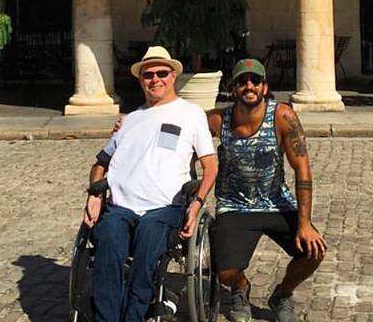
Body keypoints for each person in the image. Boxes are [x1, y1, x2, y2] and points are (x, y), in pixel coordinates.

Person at [83, 45, 218, 322]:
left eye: (161, 73)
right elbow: (100, 164)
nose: (155, 79)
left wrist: (197, 204)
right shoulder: (130, 120)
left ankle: (135, 315)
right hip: (121, 207)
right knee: (106, 247)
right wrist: (94, 195)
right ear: (141, 80)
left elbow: (211, 165)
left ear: (173, 76)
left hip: (164, 206)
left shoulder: (191, 114)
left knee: (146, 252)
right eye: (148, 75)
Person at [210, 58, 326, 322]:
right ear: (233, 88)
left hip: (276, 203)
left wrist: (305, 223)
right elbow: (179, 122)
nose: (248, 85)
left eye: (255, 80)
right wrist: (131, 123)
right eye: (242, 81)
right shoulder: (219, 120)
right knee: (225, 272)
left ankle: (282, 295)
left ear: (265, 86)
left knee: (313, 251)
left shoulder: (282, 116)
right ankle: (240, 288)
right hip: (234, 206)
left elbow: (303, 169)